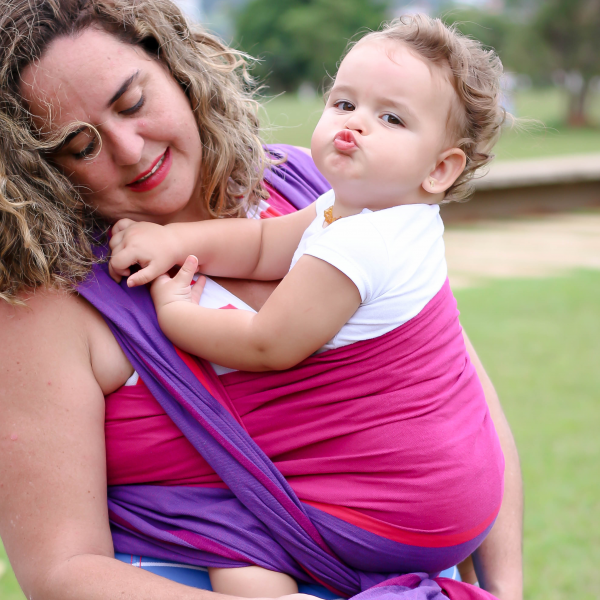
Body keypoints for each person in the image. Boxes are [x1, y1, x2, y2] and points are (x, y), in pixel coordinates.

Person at [0, 1, 523, 599]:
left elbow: (461, 392)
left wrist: (505, 588)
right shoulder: (50, 303)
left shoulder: (316, 189)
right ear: (35, 164)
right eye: (79, 145)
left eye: (133, 103)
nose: (128, 148)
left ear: (178, 68)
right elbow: (61, 572)